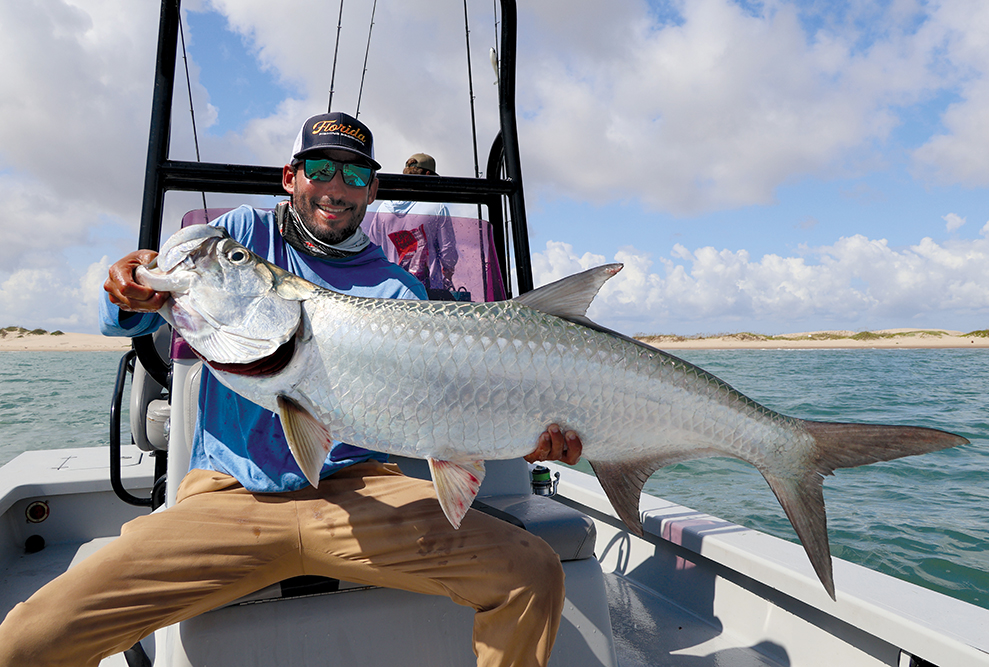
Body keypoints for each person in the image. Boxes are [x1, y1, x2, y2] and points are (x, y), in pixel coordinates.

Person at [0, 112, 582, 667]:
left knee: (531, 572)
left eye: (355, 174)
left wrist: (521, 429)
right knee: (29, 639)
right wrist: (126, 291)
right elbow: (131, 315)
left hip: (361, 492)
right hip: (228, 498)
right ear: (290, 177)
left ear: (372, 190)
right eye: (321, 169)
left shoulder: (397, 288)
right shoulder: (239, 237)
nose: (337, 186)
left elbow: (443, 405)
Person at [367, 153, 458, 297]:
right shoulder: (437, 208)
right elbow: (449, 256)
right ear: (428, 175)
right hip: (427, 294)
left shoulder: (382, 208)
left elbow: (372, 248)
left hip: (391, 292)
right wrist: (448, 271)